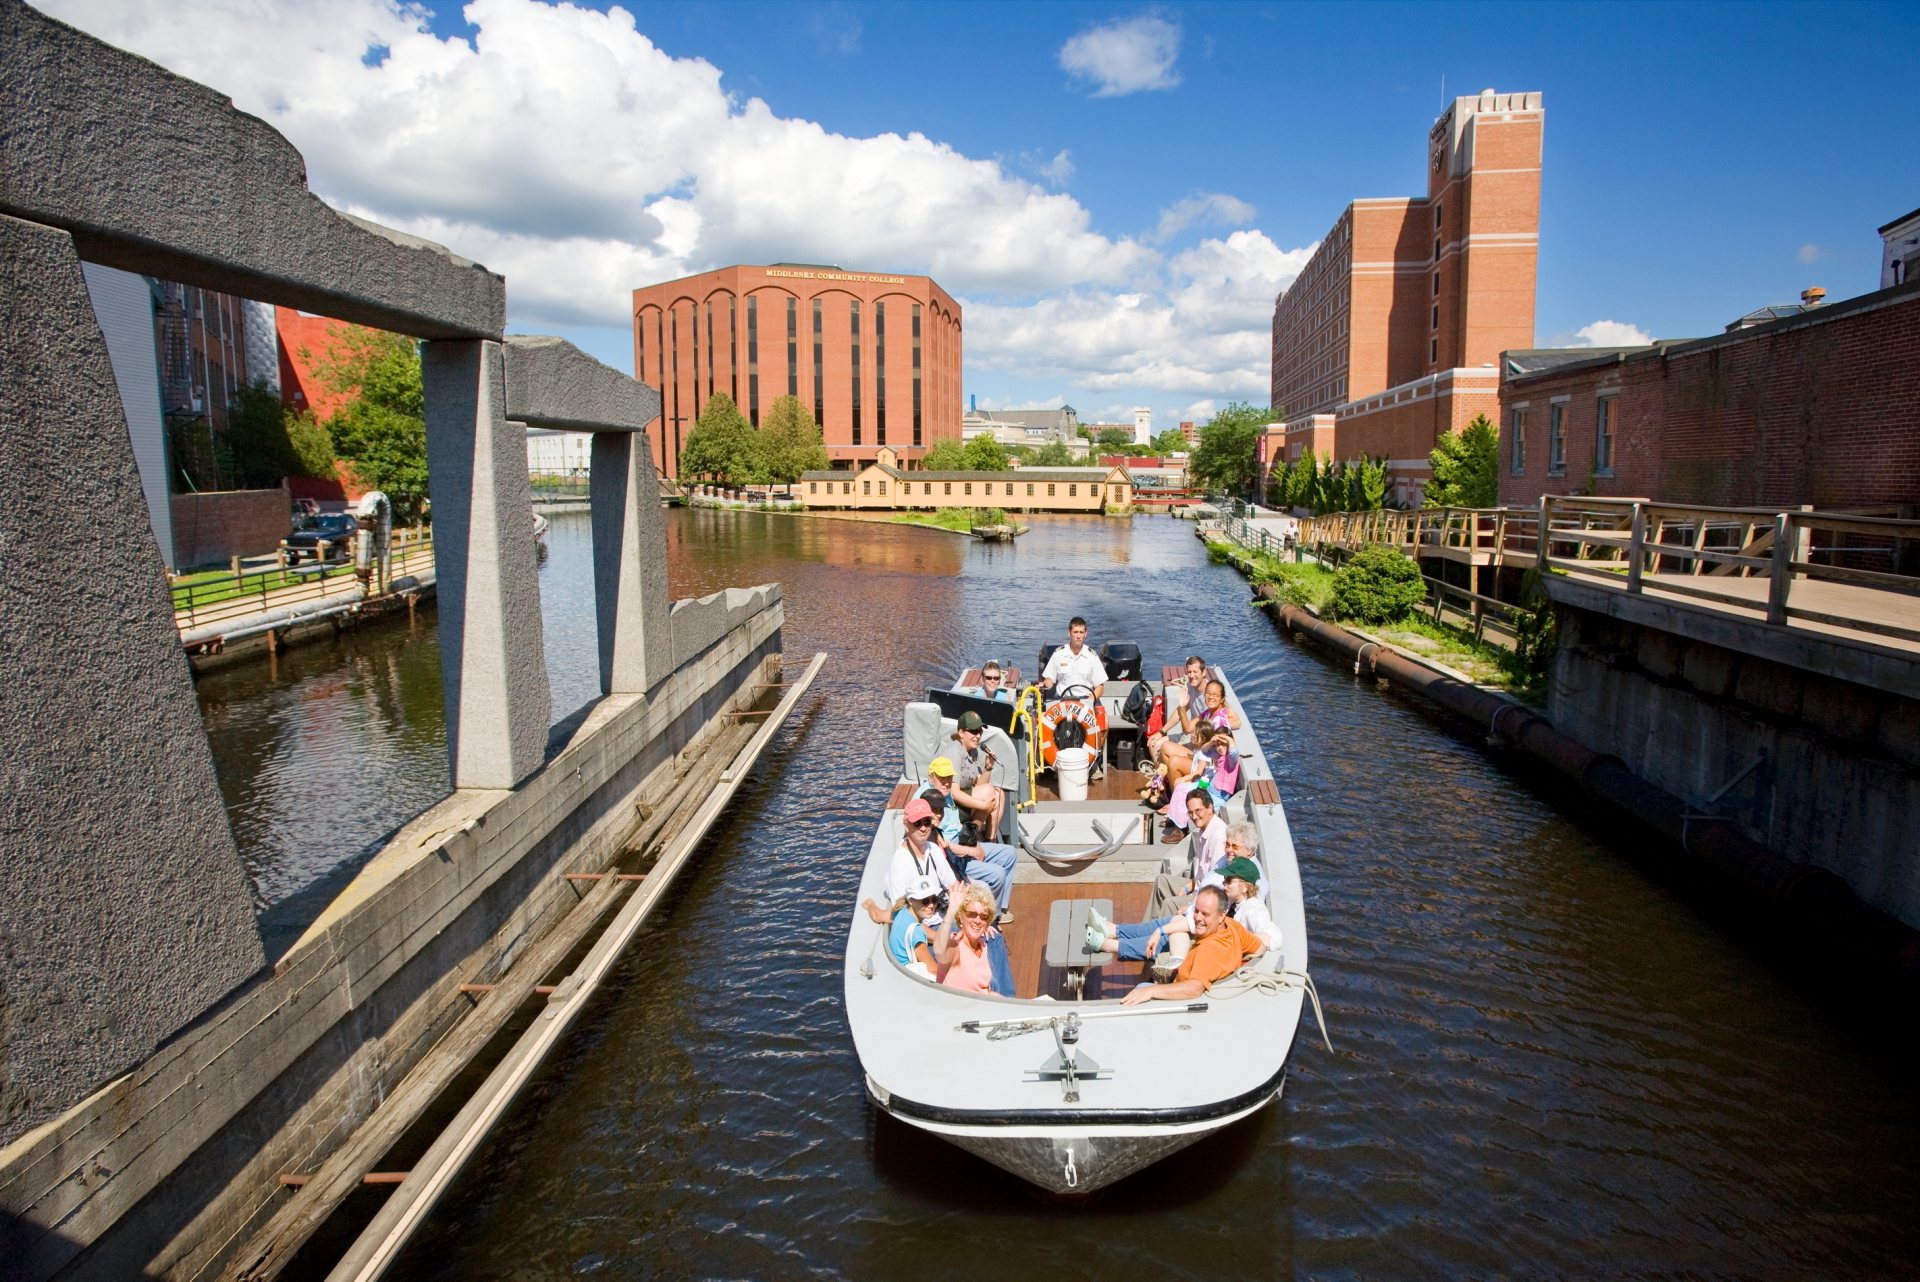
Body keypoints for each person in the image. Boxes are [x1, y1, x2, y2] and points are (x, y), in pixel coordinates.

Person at [1120, 885, 1263, 1005]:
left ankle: (1111, 940)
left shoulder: (1209, 950)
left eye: (1205, 914)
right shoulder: (1232, 926)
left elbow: (1194, 988)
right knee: (1176, 930)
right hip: (1186, 976)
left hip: (1181, 997)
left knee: (1141, 988)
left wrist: (1151, 991)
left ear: (1221, 915)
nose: (1198, 918)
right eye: (1196, 911)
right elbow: (1259, 947)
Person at [925, 758, 1018, 923]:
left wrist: (971, 839)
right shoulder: (928, 802)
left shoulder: (945, 794)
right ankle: (989, 920)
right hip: (954, 859)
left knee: (1009, 853)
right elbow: (941, 846)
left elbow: (956, 824)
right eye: (942, 778)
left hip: (963, 844)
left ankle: (999, 910)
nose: (947, 782)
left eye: (949, 777)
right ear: (931, 777)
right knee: (997, 874)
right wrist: (972, 851)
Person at [1153, 675, 1239, 777]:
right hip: (1199, 754)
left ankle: (1179, 787)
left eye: (1215, 695)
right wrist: (1182, 707)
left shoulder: (1220, 723)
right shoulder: (1208, 713)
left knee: (1174, 761)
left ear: (1222, 699)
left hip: (1207, 767)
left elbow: (1222, 754)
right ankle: (1167, 781)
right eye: (1208, 693)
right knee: (1166, 746)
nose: (1211, 697)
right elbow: (1188, 728)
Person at [860, 875, 943, 977]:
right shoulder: (916, 933)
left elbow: (877, 915)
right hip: (910, 976)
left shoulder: (901, 912)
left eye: (934, 899)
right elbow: (934, 971)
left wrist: (870, 905)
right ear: (911, 900)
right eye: (925, 901)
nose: (931, 905)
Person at [1163, 724, 1240, 833]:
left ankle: (1181, 829)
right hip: (1208, 788)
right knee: (1181, 788)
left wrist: (1227, 739)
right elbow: (1204, 750)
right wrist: (1212, 742)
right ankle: (1175, 818)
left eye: (1224, 744)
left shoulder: (1231, 761)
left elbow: (1233, 753)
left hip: (1218, 797)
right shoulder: (1219, 755)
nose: (1220, 747)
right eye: (1218, 745)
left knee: (1194, 802)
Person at [882, 797, 957, 906]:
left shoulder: (934, 849)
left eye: (927, 822)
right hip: (921, 921)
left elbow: (953, 886)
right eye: (917, 823)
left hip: (941, 913)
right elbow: (901, 911)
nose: (923, 828)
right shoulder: (899, 863)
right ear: (906, 826)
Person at [932, 880, 999, 992]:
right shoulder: (955, 947)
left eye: (983, 917)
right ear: (961, 917)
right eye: (972, 914)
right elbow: (939, 950)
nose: (978, 921)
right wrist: (951, 910)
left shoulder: (982, 945)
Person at [946, 712, 1004, 840]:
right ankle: (970, 836)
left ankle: (990, 840)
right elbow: (954, 793)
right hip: (950, 807)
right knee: (990, 793)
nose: (978, 736)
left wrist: (988, 768)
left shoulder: (973, 751)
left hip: (963, 802)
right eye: (973, 732)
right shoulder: (954, 752)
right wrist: (983, 806)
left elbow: (979, 785)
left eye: (980, 732)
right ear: (961, 732)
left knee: (998, 793)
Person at [1218, 853, 1280, 952]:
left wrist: (1240, 938)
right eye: (1225, 879)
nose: (1224, 883)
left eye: (1229, 881)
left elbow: (1275, 938)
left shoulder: (1253, 910)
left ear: (1244, 887)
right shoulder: (1234, 902)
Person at [1038, 616, 1107, 701]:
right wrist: (1045, 685)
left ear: (1085, 634)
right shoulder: (1058, 654)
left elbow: (1100, 687)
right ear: (1069, 633)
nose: (1078, 636)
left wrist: (1089, 701)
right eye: (1075, 632)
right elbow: (1049, 679)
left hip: (1086, 700)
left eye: (1081, 632)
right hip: (1062, 700)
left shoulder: (1092, 656)